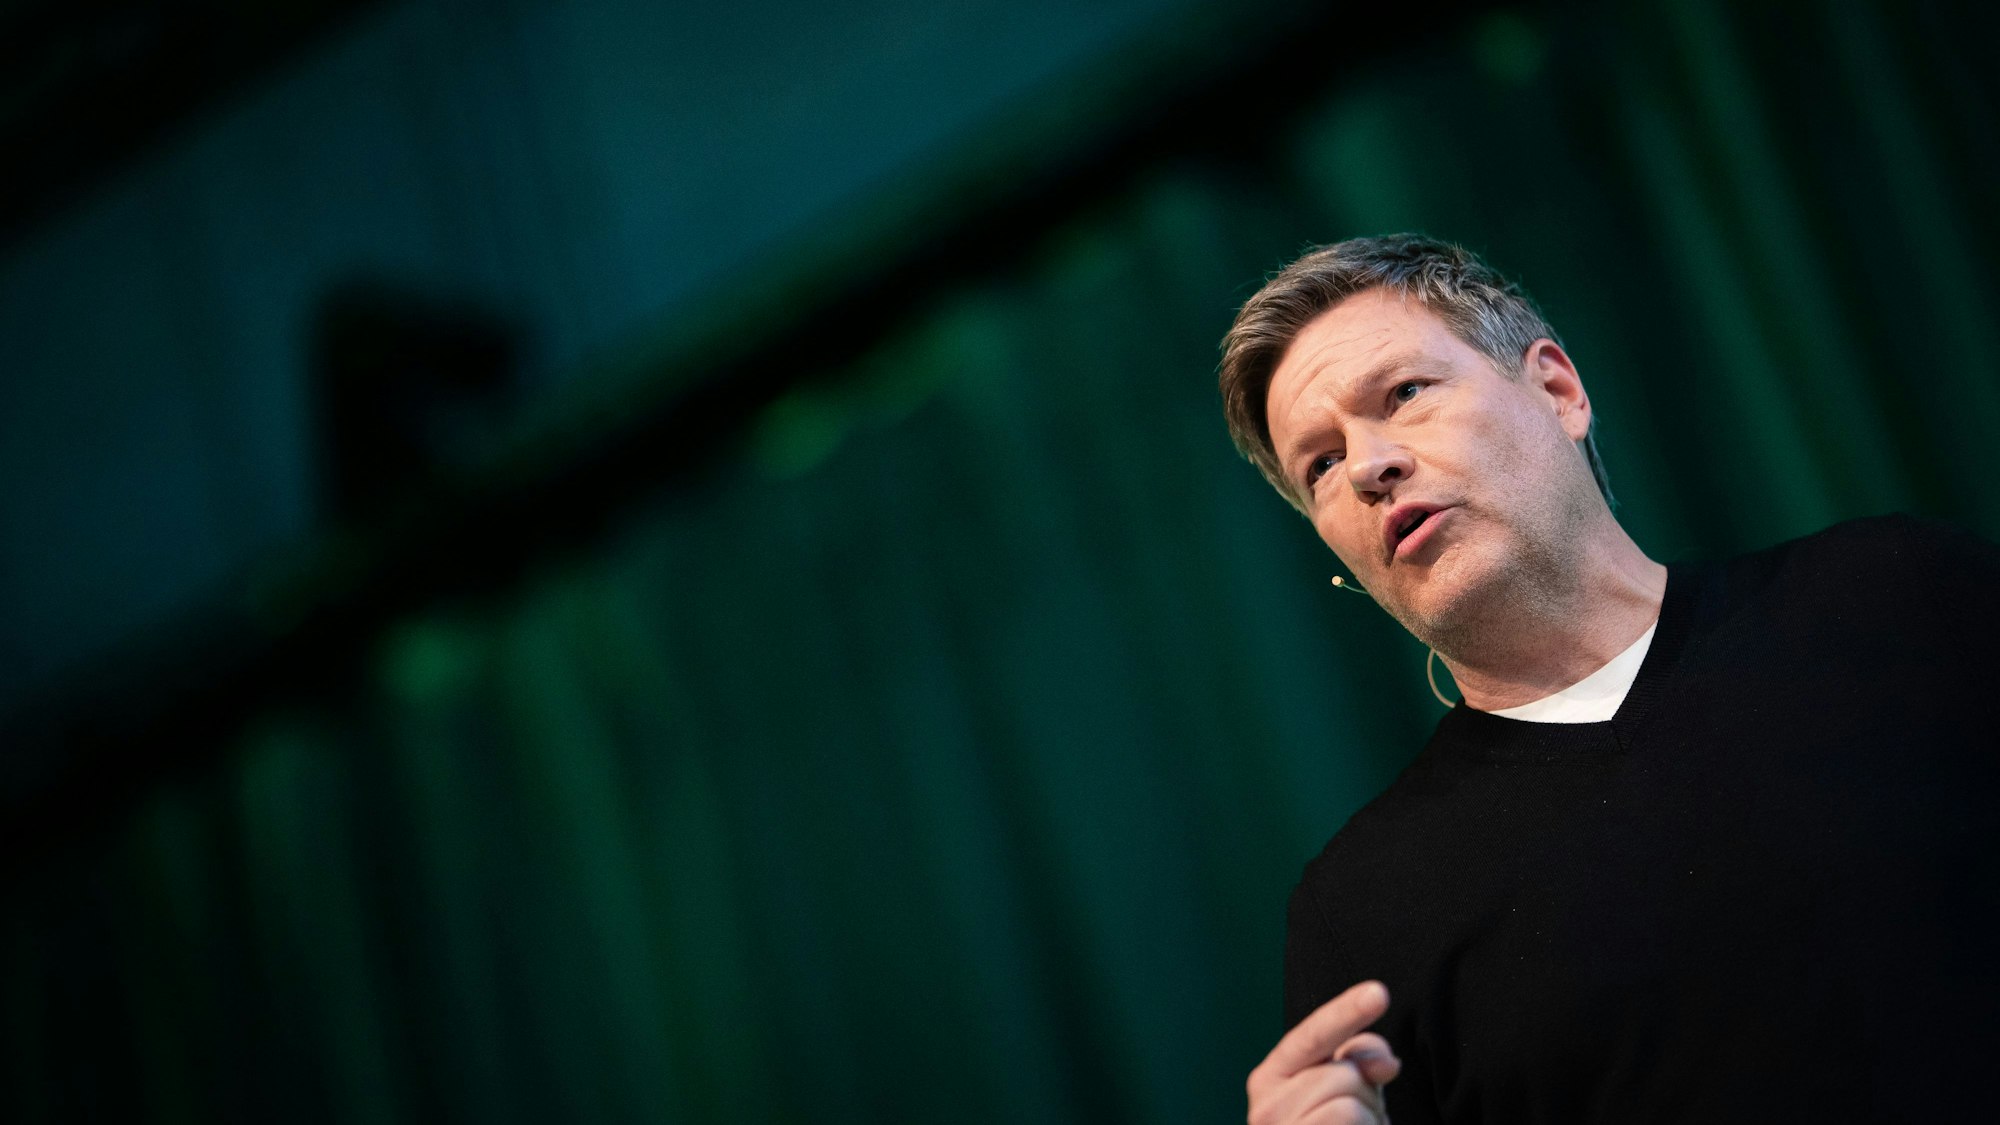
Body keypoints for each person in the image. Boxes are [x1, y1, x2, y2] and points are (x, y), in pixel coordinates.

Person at [1216, 234, 2000, 1124]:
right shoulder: (1362, 912)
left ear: (1558, 391)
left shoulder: (1897, 597)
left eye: (1404, 394)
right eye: (1320, 464)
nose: (1367, 466)